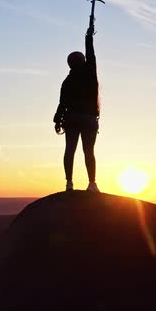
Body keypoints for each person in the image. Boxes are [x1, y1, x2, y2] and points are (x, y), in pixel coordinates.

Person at [53, 25, 100, 192]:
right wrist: (89, 36)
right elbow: (91, 54)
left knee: (70, 150)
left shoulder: (67, 81)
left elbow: (62, 103)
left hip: (72, 118)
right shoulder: (90, 72)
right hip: (88, 119)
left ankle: (69, 183)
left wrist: (57, 120)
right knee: (89, 151)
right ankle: (92, 184)